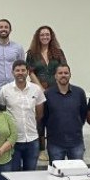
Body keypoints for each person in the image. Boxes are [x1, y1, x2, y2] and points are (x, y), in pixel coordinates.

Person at [26, 25, 67, 162]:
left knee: (55, 119)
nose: (45, 37)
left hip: (56, 90)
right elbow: (30, 72)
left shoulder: (58, 52)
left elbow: (63, 69)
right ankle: (41, 149)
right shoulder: (32, 53)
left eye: (47, 34)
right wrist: (40, 88)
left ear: (51, 36)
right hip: (37, 90)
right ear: (38, 37)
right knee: (40, 119)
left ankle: (55, 147)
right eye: (42, 35)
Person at [0, 60, 46, 171]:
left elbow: (40, 114)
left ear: (27, 72)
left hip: (32, 140)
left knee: (30, 174)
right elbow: (1, 113)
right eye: (17, 70)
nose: (20, 73)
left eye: (23, 70)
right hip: (13, 141)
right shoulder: (5, 90)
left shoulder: (36, 89)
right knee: (14, 174)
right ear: (13, 72)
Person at [43, 64, 87, 163]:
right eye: (60, 73)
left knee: (77, 171)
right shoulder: (47, 94)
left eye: (66, 73)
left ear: (70, 75)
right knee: (56, 171)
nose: (63, 75)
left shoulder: (79, 93)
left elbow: (83, 114)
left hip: (76, 142)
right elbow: (44, 117)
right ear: (55, 76)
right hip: (55, 143)